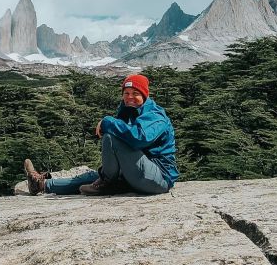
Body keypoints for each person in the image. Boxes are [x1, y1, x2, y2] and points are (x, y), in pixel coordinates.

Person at [23, 74, 178, 195]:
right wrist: (120, 114)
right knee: (93, 176)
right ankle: (41, 185)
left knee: (111, 139)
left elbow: (138, 138)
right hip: (140, 171)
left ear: (145, 95)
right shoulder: (130, 110)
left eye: (135, 93)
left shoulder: (156, 115)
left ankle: (108, 183)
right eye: (126, 93)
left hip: (159, 178)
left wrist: (107, 122)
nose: (130, 97)